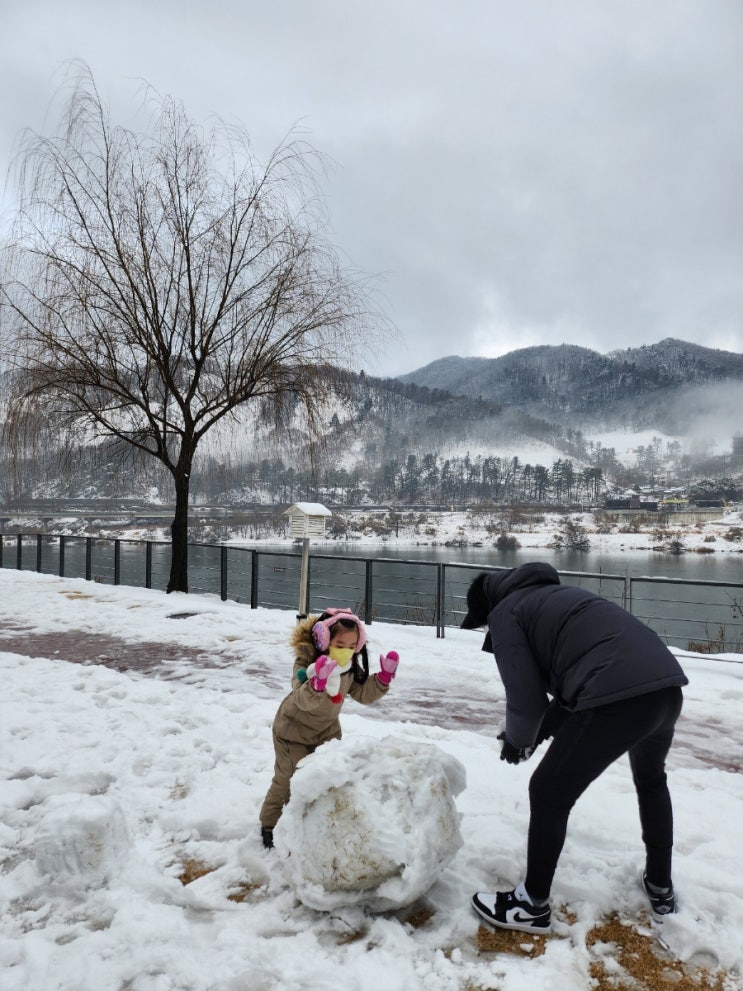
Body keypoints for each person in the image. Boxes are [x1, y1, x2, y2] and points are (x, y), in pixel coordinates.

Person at [461, 562, 688, 933]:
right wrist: (537, 735)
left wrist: (518, 741)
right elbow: (572, 689)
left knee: (548, 792)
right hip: (665, 690)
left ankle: (531, 904)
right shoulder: (555, 596)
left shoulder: (505, 613)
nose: (489, 630)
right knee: (651, 780)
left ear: (486, 608)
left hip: (617, 695)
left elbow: (526, 699)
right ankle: (660, 884)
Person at [259, 607, 399, 849]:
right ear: (323, 640)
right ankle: (269, 824)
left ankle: (313, 820)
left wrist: (383, 678)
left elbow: (362, 693)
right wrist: (317, 682)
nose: (345, 650)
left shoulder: (349, 667)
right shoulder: (306, 663)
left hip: (326, 732)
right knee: (287, 779)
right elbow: (302, 700)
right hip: (292, 733)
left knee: (325, 777)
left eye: (352, 646)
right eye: (340, 644)